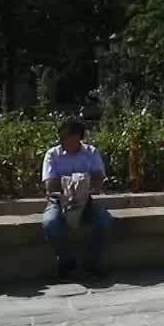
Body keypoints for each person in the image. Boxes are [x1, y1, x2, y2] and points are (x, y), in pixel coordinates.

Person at [42, 118, 112, 279]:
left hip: (85, 199)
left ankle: (92, 261)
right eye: (64, 137)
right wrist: (68, 187)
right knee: (50, 223)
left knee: (104, 221)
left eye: (71, 138)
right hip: (59, 200)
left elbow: (98, 178)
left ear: (79, 137)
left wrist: (84, 185)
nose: (66, 141)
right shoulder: (53, 154)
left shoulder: (91, 152)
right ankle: (66, 261)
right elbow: (50, 186)